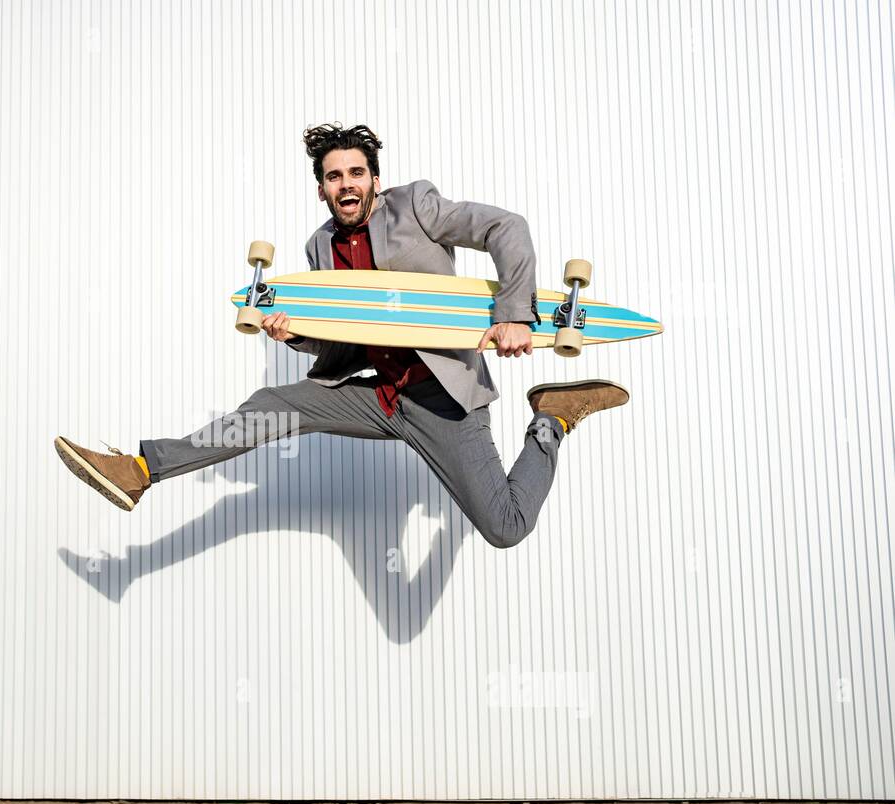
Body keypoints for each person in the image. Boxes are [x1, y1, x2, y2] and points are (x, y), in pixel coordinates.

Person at [54, 123, 628, 549]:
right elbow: (339, 338)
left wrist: (513, 314)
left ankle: (551, 417)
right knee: (271, 408)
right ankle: (142, 469)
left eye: (356, 173)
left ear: (374, 179)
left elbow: (507, 227)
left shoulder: (418, 206)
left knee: (505, 528)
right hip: (378, 396)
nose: (346, 184)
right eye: (334, 177)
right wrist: (294, 337)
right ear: (322, 190)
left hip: (444, 400)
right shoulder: (317, 250)